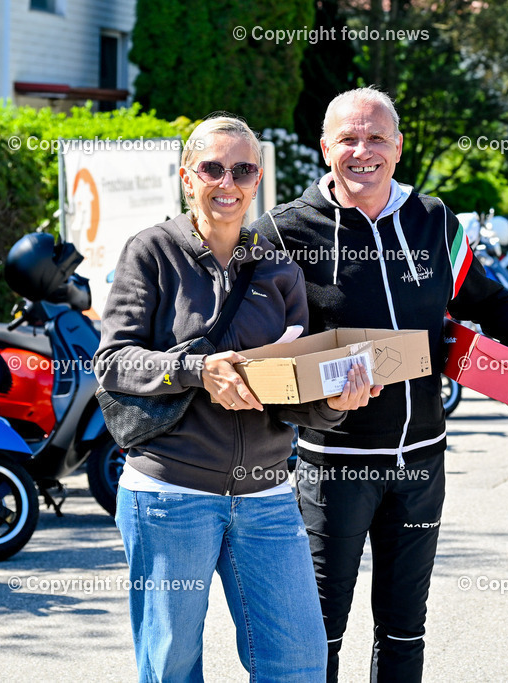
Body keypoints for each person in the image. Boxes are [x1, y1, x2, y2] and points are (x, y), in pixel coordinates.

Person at [254, 87, 508, 682]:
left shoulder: (434, 220)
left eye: (376, 138)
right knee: (319, 630)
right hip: (333, 465)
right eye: (348, 139)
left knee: (404, 628)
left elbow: (484, 298)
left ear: (397, 146)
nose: (362, 151)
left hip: (420, 461)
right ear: (325, 148)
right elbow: (261, 353)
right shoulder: (284, 233)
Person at [94, 116, 375, 682]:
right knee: (172, 667)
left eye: (243, 170)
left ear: (257, 180)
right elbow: (113, 363)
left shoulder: (279, 269)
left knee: (299, 662)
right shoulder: (152, 251)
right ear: (187, 177)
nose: (228, 182)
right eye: (212, 168)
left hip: (268, 496)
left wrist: (337, 401)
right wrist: (197, 370)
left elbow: (291, 393)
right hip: (171, 495)